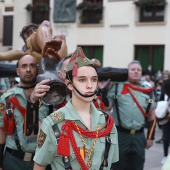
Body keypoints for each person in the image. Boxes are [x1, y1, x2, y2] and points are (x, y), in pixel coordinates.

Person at [33, 47, 119, 170]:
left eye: (94, 80)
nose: (90, 85)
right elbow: (39, 166)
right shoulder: (53, 124)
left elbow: (110, 164)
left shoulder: (107, 123)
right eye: (82, 80)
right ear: (69, 84)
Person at [107, 60, 156, 170]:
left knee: (138, 166)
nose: (136, 72)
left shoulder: (148, 90)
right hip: (121, 135)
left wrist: (150, 137)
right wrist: (103, 88)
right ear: (127, 72)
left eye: (138, 70)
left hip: (139, 136)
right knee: (118, 166)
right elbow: (106, 107)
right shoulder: (116, 87)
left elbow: (152, 117)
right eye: (132, 69)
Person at [0, 55, 42, 170]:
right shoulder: (7, 98)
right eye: (24, 66)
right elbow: (2, 131)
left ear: (37, 70)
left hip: (40, 161)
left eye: (32, 66)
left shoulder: (47, 97)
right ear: (18, 71)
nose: (28, 69)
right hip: (12, 161)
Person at [0, 20, 68, 63]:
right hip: (40, 49)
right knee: (45, 23)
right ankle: (48, 50)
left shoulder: (54, 40)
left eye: (35, 29)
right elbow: (2, 56)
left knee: (61, 36)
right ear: (25, 40)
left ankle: (53, 58)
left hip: (55, 57)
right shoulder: (24, 53)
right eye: (29, 32)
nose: (33, 32)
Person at [158, 70, 170, 164]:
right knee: (165, 137)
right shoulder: (164, 92)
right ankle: (165, 156)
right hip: (166, 117)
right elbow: (160, 102)